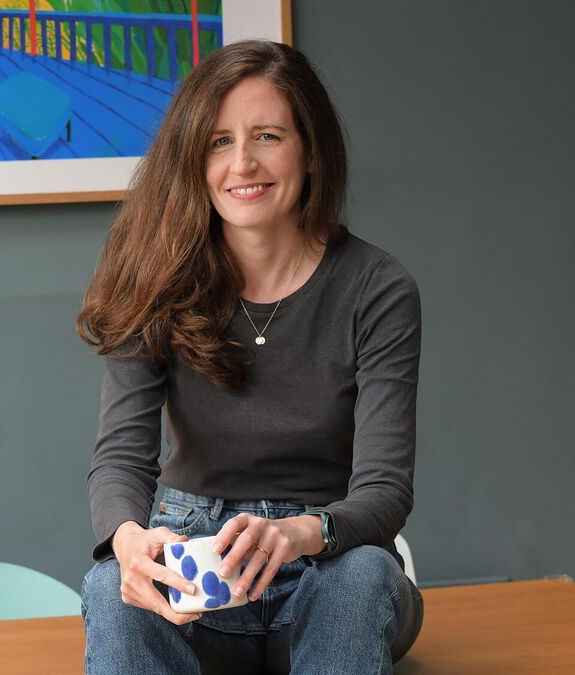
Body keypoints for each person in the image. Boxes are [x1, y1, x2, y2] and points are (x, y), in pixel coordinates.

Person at [76, 40, 424, 674]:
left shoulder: (377, 287)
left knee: (364, 577)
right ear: (193, 158)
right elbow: (121, 458)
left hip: (328, 560)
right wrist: (129, 543)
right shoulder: (150, 281)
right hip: (196, 566)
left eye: (267, 136)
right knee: (108, 588)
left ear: (310, 149)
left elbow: (384, 488)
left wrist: (297, 534)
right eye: (219, 142)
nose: (242, 163)